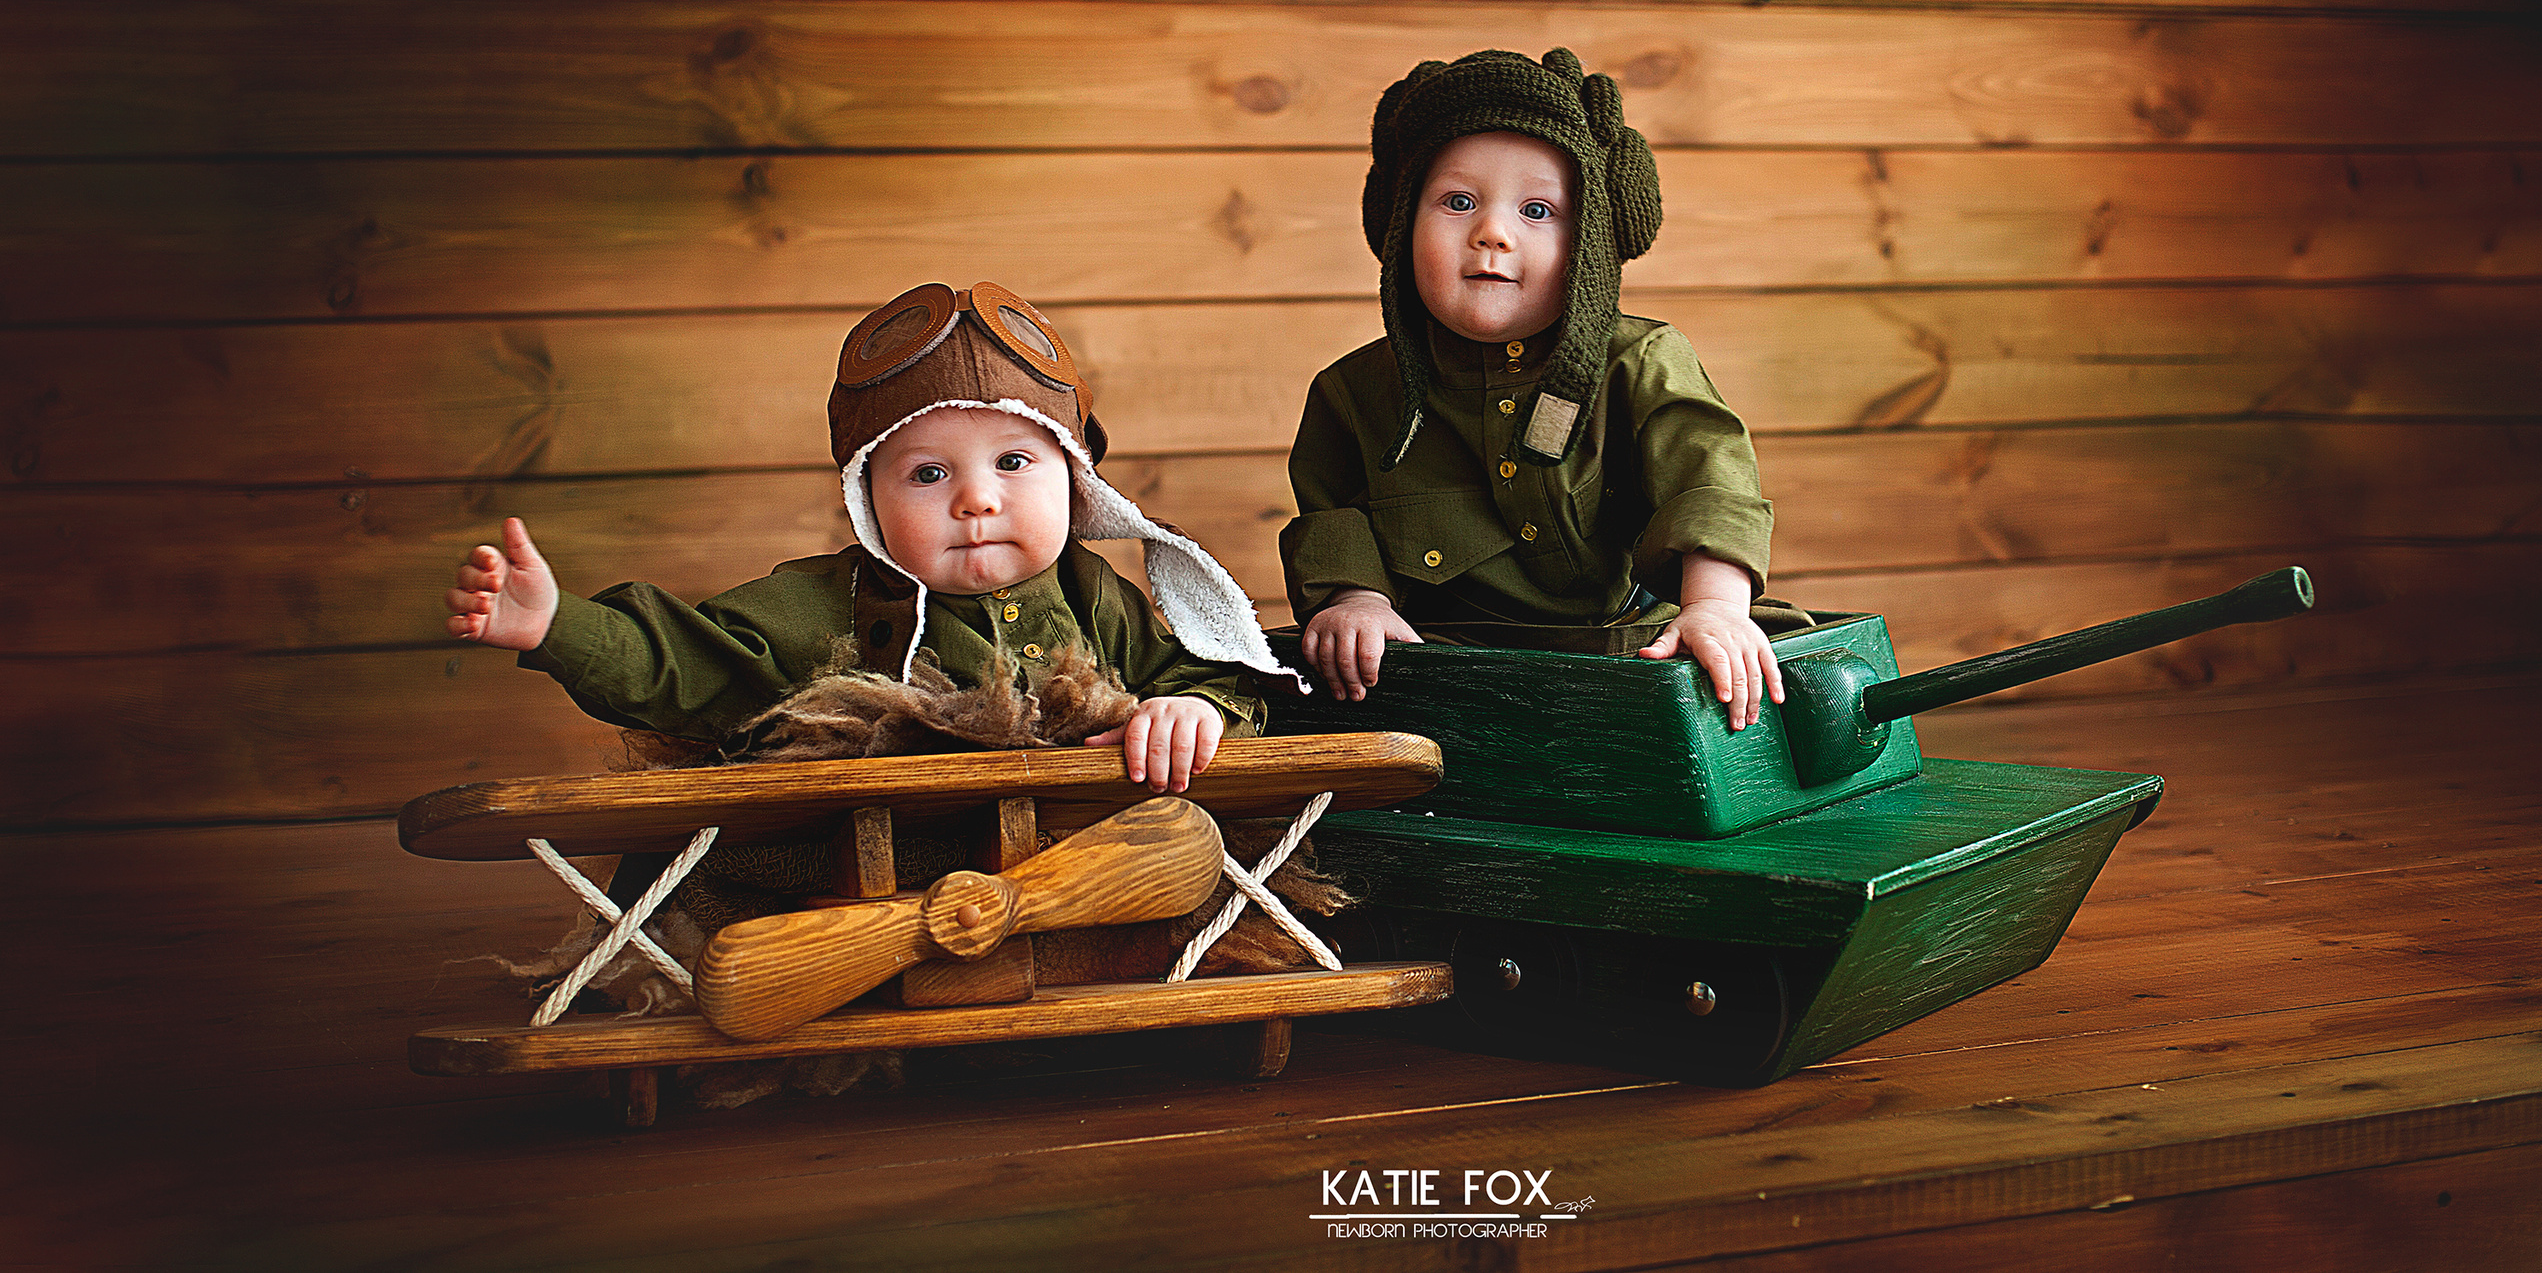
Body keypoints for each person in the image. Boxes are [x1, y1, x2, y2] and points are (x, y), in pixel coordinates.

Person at [448, 280, 1293, 794]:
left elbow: (1207, 671)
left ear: (1075, 481)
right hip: (901, 850)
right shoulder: (832, 601)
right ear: (868, 502)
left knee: (1177, 842)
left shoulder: (1096, 596)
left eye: (1012, 461)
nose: (976, 501)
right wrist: (557, 625)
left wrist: (1193, 710)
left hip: (1069, 847)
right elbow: (687, 661)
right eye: (929, 474)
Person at [1282, 48, 1806, 729]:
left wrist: (1714, 608)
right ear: (1401, 223)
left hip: (1635, 649)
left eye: (1537, 209)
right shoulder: (1354, 393)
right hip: (1457, 670)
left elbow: (1708, 488)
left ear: (1588, 243)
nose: (1492, 232)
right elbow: (1335, 516)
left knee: (1780, 673)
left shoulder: (1641, 362)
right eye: (1458, 201)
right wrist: (1357, 602)